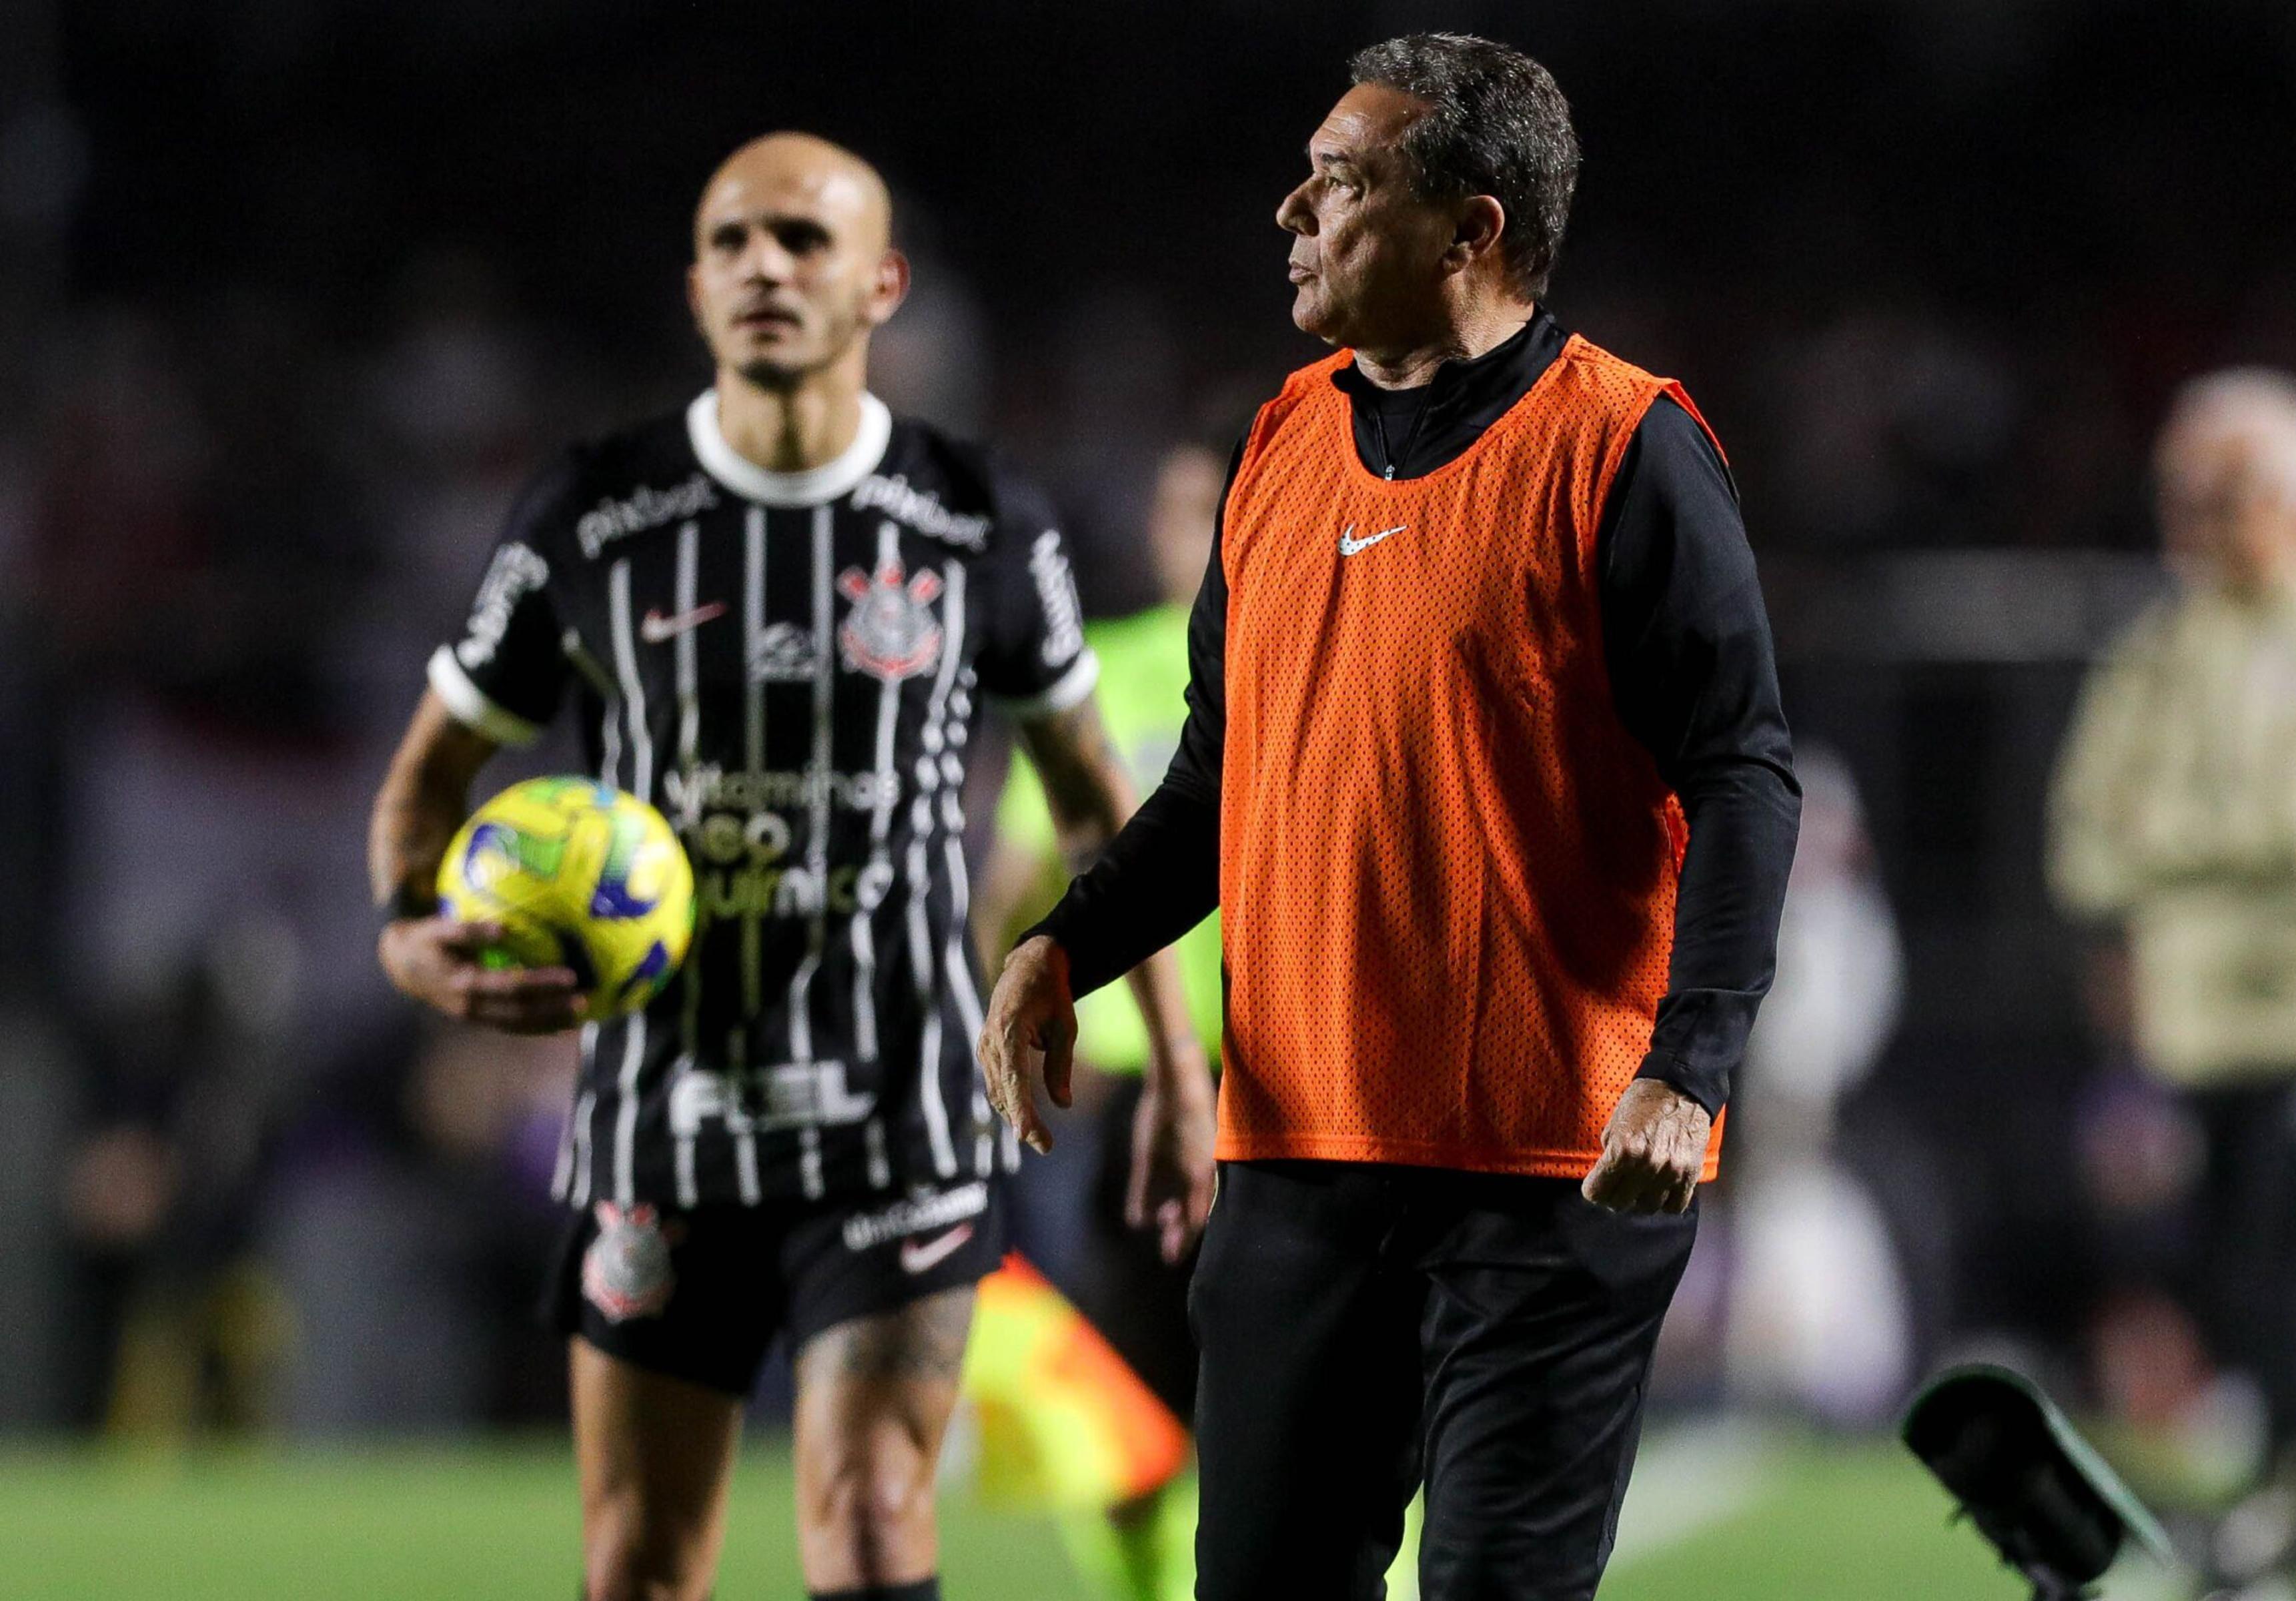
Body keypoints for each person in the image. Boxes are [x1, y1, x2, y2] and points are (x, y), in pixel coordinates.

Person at [979, 35, 1798, 1601]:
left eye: (1342, 182)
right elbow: (1223, 783)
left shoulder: (1626, 447)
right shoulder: (1279, 442)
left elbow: (1745, 774)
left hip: (1551, 1168)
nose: (1291, 208)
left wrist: (1689, 1071)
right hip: (1295, 1161)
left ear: (1471, 231)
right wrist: (1062, 948)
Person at [368, 132, 1214, 1601]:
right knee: (640, 1560)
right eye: (736, 241)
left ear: (881, 283)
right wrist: (404, 932)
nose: (768, 264)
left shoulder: (978, 519)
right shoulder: (591, 516)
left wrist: (1181, 1073)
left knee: (877, 1520)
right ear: (695, 287)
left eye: (806, 241)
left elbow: (1095, 807)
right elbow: (429, 778)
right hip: (661, 1123)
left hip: (901, 1117)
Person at [2048, 369, 2296, 1601]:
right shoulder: (2160, 649)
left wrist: (2164, 842)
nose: (2188, 520)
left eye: (2215, 493)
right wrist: (2211, 842)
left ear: (2292, 495)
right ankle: (2278, 1527)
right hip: (2197, 1028)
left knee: (2291, 1268)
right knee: (2225, 1284)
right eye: (2178, 493)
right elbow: (2079, 841)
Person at [972, 435, 1233, 1601]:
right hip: (1131, 1103)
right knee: (1129, 1395)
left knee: (1345, 1384)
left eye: (1214, 510)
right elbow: (1016, 884)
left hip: (1311, 1080)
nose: (1194, 537)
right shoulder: (1105, 676)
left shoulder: (1326, 664)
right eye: (1179, 512)